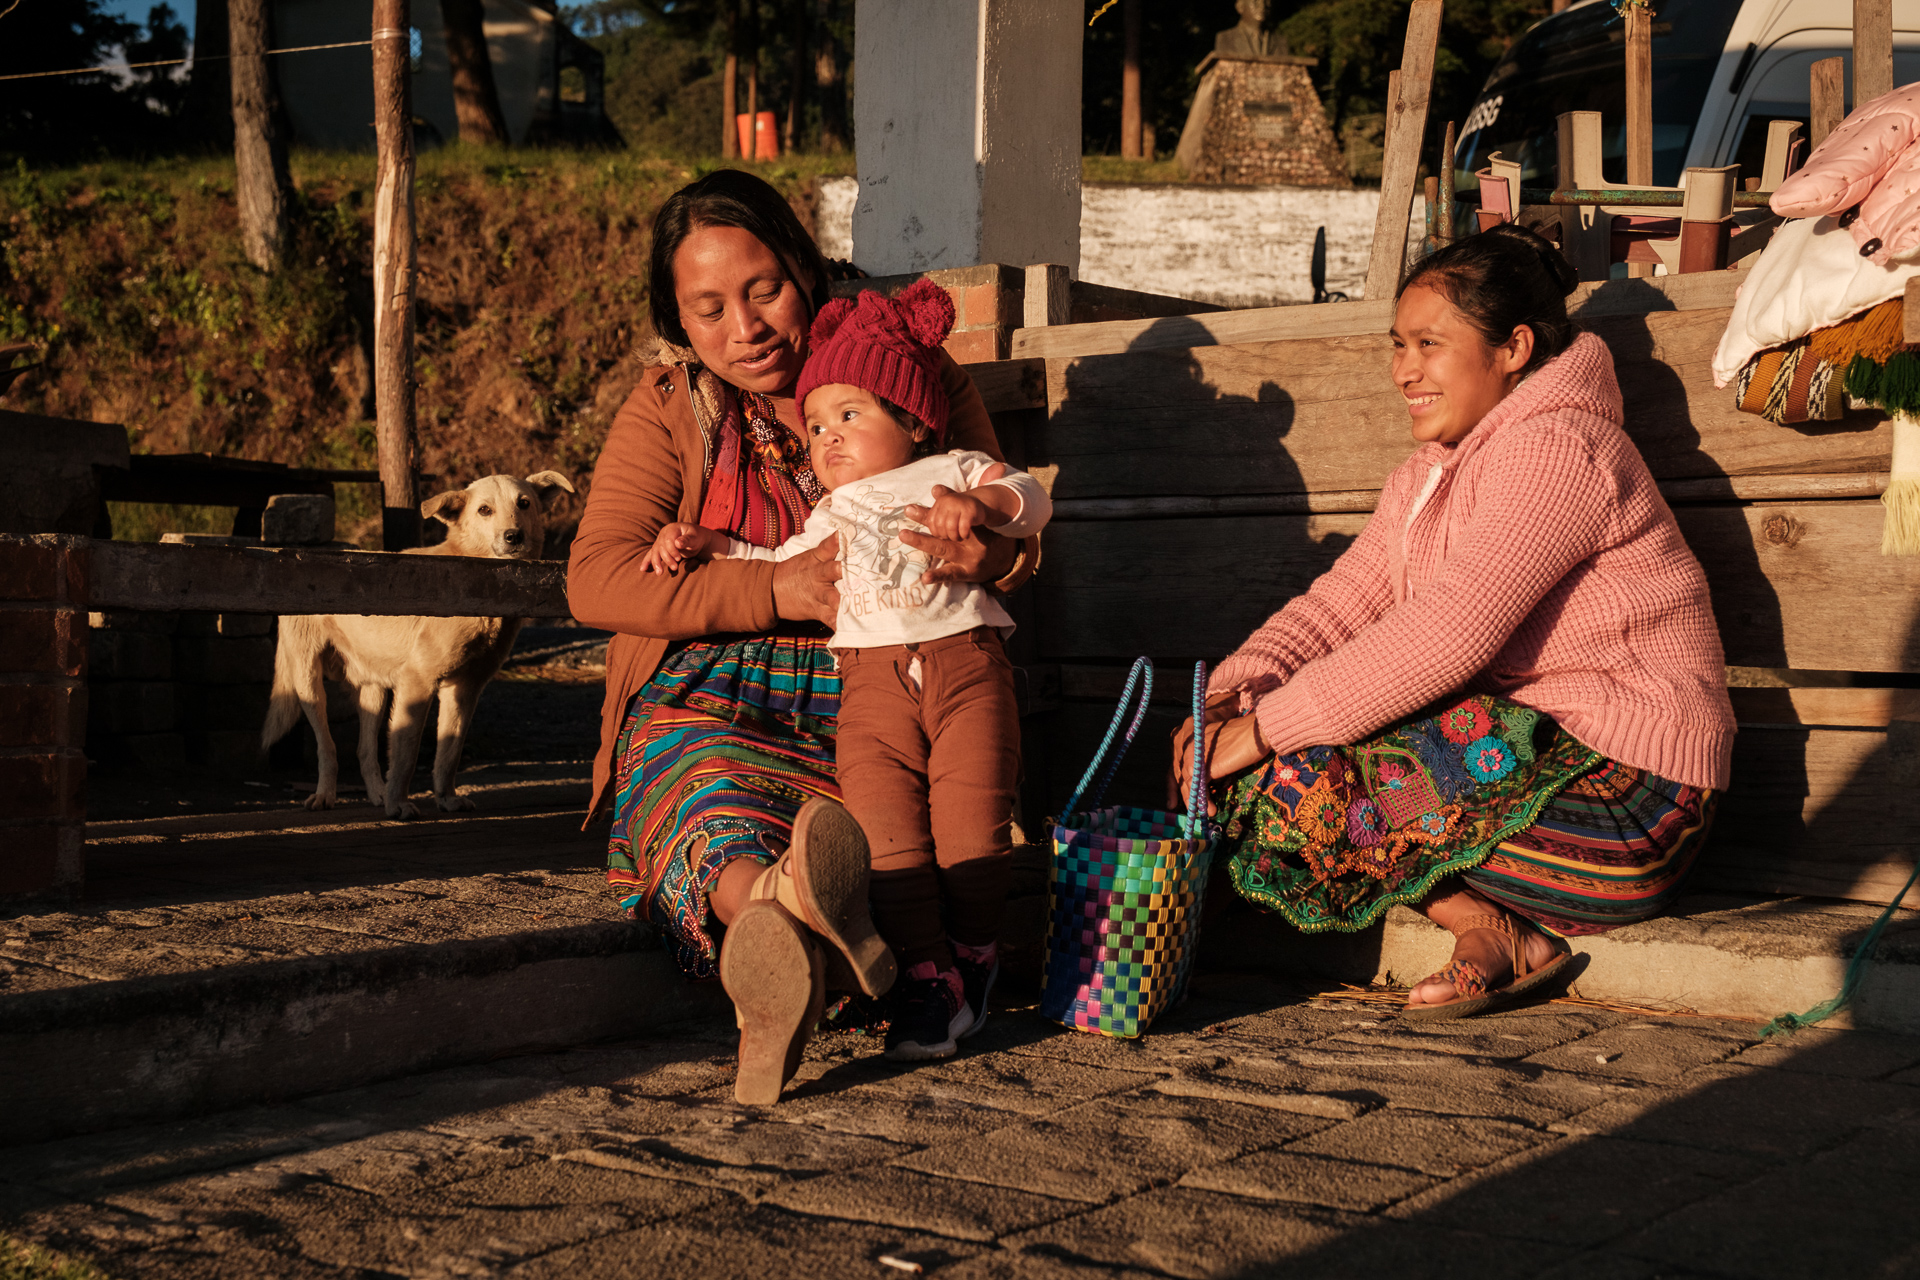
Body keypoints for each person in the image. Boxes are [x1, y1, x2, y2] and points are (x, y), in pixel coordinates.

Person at [1171, 223, 1734, 1020]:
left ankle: (1198, 922)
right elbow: (1343, 603)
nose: (1405, 370)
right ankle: (1494, 931)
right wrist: (1235, 695)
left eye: (1429, 344)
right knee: (1244, 769)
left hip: (1630, 804)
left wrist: (1262, 734)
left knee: (1289, 782)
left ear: (1513, 348)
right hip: (1527, 768)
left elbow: (1445, 635)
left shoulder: (1563, 449)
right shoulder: (1430, 472)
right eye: (1398, 346)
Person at [567, 171, 1026, 1104]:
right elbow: (595, 577)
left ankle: (790, 930)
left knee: (885, 829)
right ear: (679, 325)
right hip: (713, 690)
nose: (747, 328)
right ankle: (775, 915)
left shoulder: (910, 378)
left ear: (806, 272)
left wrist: (986, 553)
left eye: (764, 288)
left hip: (884, 692)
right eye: (709, 310)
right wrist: (772, 584)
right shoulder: (669, 408)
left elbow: (1008, 526)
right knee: (703, 784)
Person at [645, 279, 1052, 1063]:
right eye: (818, 427)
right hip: (867, 693)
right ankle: (926, 976)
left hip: (965, 669)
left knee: (971, 826)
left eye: (850, 416)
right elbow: (779, 565)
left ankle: (974, 953)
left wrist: (987, 509)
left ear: (909, 420)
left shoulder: (952, 470)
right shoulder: (828, 513)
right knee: (887, 835)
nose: (826, 437)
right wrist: (710, 544)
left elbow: (1030, 497)